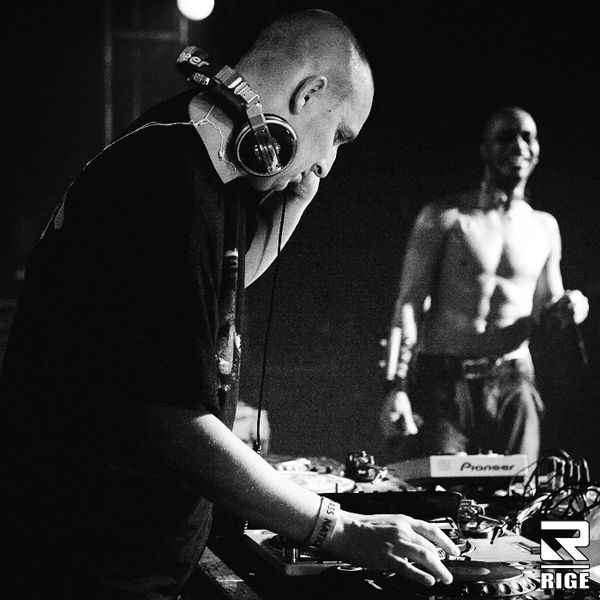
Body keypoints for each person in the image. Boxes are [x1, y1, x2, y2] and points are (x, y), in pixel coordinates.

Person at [2, 9, 459, 600]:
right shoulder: (168, 180)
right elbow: (171, 421)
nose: (329, 163)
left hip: (116, 561)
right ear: (310, 93)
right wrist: (338, 528)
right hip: (89, 568)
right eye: (340, 137)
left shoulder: (188, 153)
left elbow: (216, 288)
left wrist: (299, 193)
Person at [380, 106, 589, 468]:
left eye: (527, 137)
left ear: (537, 151)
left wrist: (571, 308)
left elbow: (548, 313)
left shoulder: (544, 227)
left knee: (519, 491)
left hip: (512, 379)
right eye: (506, 137)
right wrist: (395, 388)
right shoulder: (444, 216)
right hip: (445, 378)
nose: (519, 146)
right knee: (439, 491)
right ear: (485, 149)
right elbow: (409, 303)